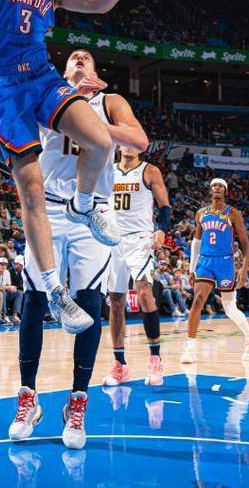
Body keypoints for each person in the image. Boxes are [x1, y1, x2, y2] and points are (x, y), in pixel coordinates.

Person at [0, 0, 151, 334]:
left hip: (41, 74)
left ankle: (84, 203)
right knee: (31, 189)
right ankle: (55, 293)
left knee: (101, 141)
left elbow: (99, 2)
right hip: (4, 84)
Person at [10, 50, 148, 450]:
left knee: (89, 306)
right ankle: (27, 397)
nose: (82, 58)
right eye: (74, 56)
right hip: (49, 209)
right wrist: (65, 102)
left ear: (97, 72)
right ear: (63, 69)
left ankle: (77, 401)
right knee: (34, 301)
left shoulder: (110, 102)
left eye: (88, 58)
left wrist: (92, 122)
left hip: (94, 212)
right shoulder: (45, 94)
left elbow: (139, 140)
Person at [104, 146, 172, 387]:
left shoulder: (150, 171)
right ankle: (120, 365)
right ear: (119, 145)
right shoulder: (108, 170)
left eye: (133, 141)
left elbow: (165, 206)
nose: (128, 145)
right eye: (124, 141)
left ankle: (155, 360)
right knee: (116, 301)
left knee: (144, 294)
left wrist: (162, 230)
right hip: (113, 239)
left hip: (140, 239)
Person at [180, 179, 249, 365]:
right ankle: (190, 349)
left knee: (230, 308)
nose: (216, 188)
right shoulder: (201, 213)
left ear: (225, 190)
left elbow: (246, 243)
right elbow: (196, 242)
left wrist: (244, 269)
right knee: (197, 300)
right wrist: (192, 268)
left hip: (225, 262)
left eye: (220, 186)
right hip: (205, 262)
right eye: (214, 186)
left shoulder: (233, 214)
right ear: (210, 190)